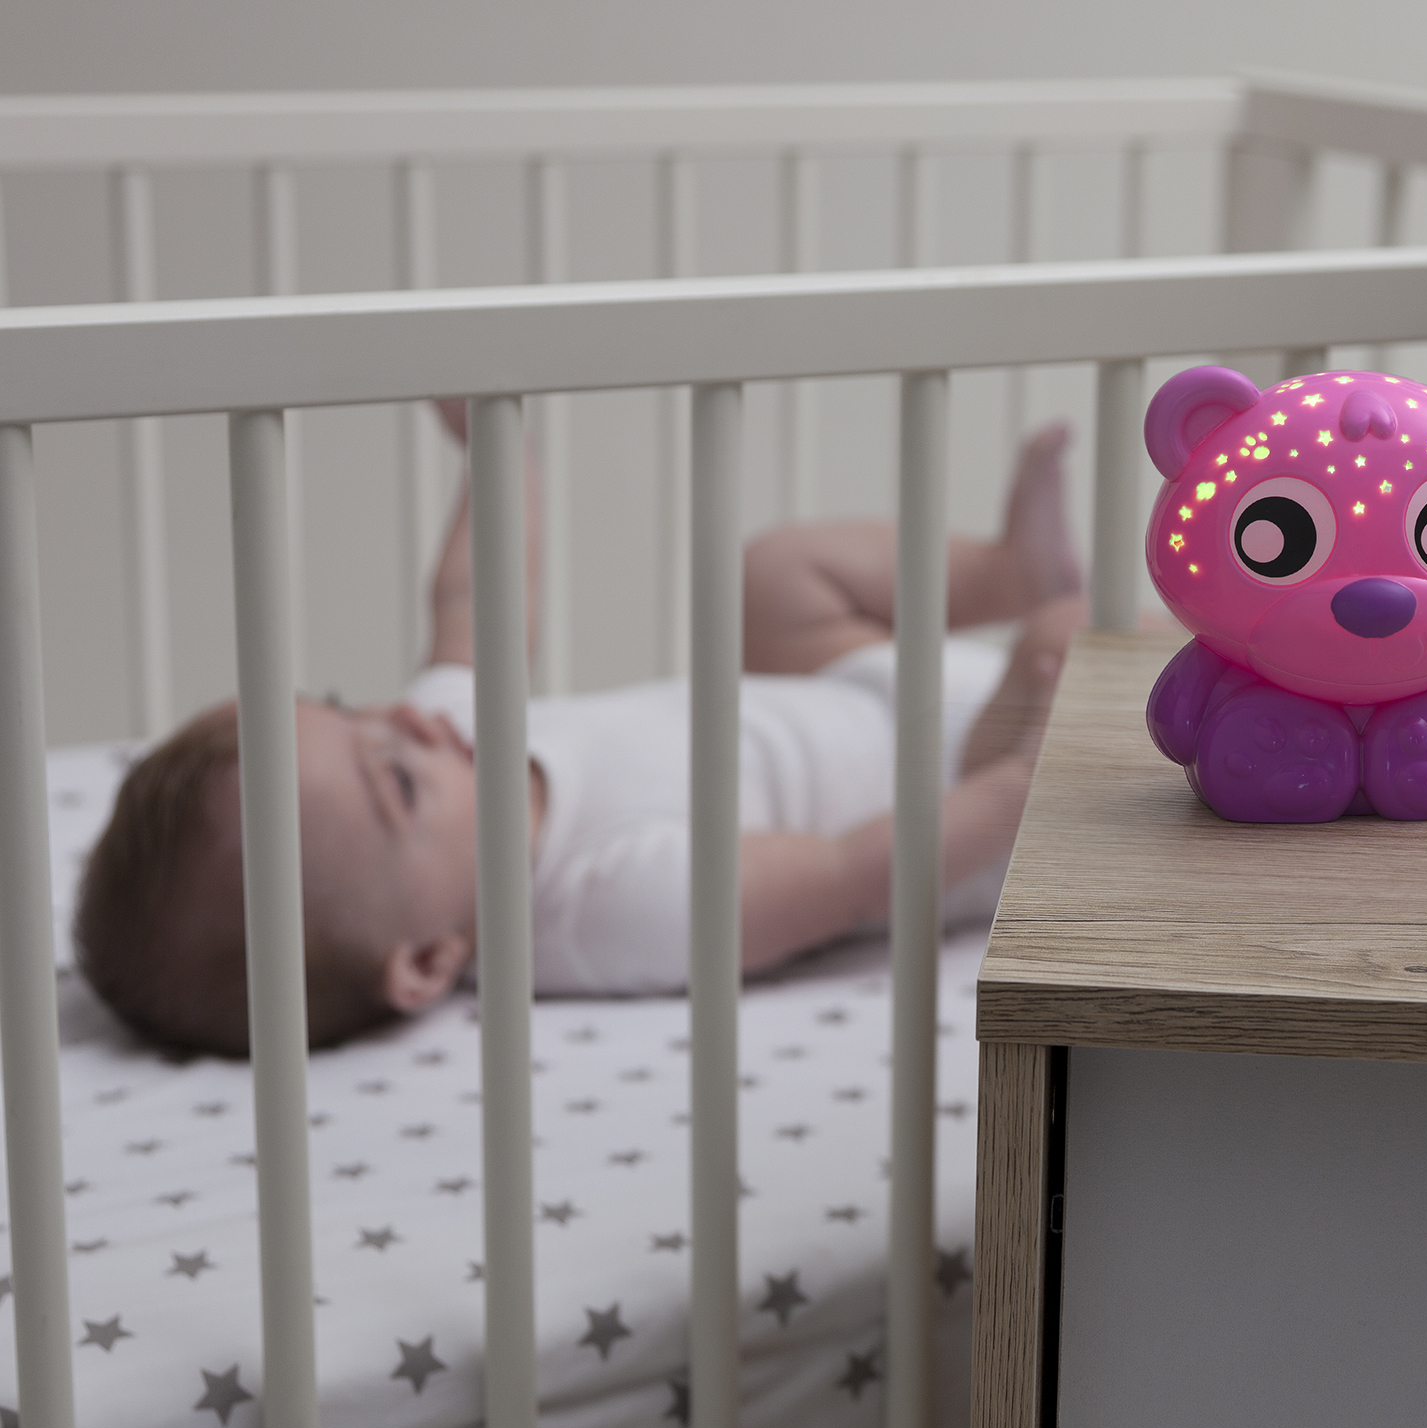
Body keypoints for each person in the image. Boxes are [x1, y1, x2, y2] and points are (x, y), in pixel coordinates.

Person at [75, 415, 1082, 1057]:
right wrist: (1016, 786)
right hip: (964, 792)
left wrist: (496, 447)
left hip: (841, 687)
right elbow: (849, 872)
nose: (411, 718)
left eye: (350, 708)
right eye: (396, 781)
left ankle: (1006, 572)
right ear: (426, 958)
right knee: (1063, 644)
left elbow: (473, 600)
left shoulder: (453, 744)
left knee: (770, 577)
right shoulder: (601, 905)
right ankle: (1066, 626)